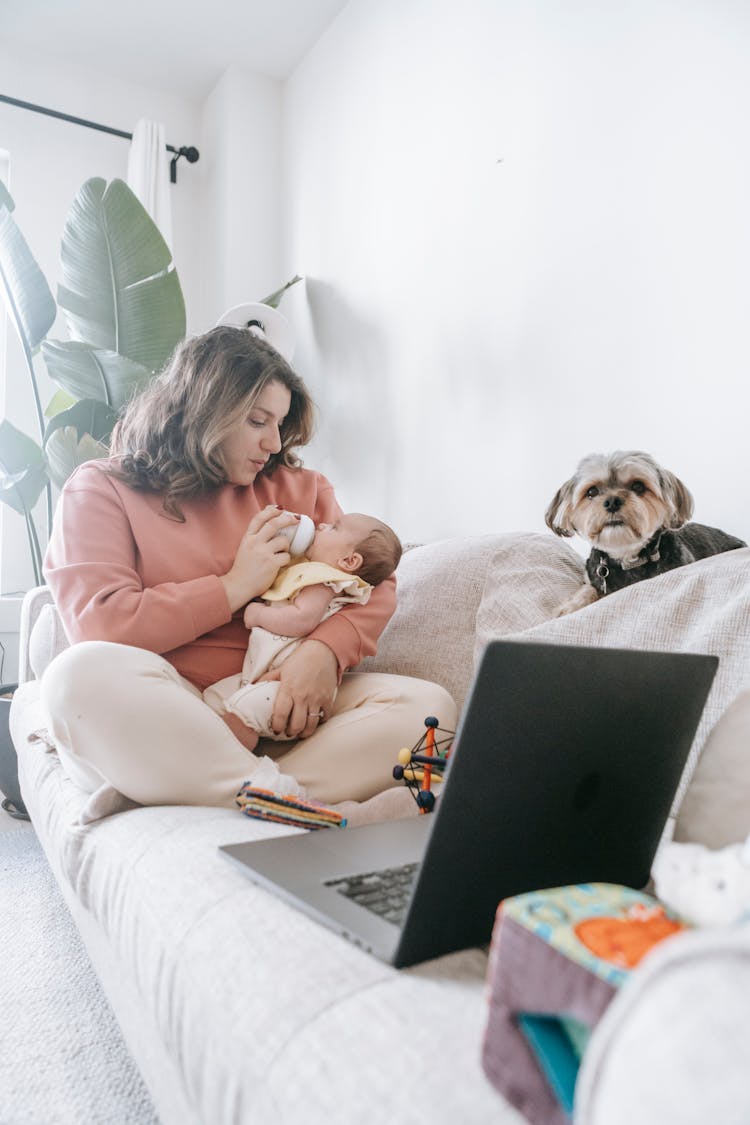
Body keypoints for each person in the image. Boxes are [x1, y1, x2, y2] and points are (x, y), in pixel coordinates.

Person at [40, 326, 456, 822]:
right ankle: (270, 795)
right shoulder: (102, 489)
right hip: (165, 707)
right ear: (204, 409)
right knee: (75, 677)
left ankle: (210, 789)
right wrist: (235, 586)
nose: (273, 441)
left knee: (428, 706)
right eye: (258, 421)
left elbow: (373, 578)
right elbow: (99, 623)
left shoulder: (301, 489)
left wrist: (325, 652)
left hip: (277, 708)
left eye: (280, 424)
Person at [204, 512, 403, 757]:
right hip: (260, 675)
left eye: (333, 528)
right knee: (214, 698)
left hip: (286, 685)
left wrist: (256, 614)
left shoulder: (322, 582)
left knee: (243, 714)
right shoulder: (308, 571)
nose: (322, 524)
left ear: (349, 562)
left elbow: (301, 620)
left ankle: (229, 762)